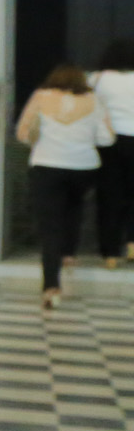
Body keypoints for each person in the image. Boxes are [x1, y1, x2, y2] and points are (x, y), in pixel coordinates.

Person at [17, 63, 115, 307]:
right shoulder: (93, 100)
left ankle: (51, 286)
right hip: (84, 166)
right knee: (74, 206)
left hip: (46, 164)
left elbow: (23, 132)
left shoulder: (41, 96)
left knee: (50, 226)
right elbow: (107, 138)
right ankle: (69, 252)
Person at [93, 39, 134, 267]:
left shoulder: (98, 78)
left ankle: (110, 253)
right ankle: (132, 243)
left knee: (110, 196)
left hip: (108, 141)